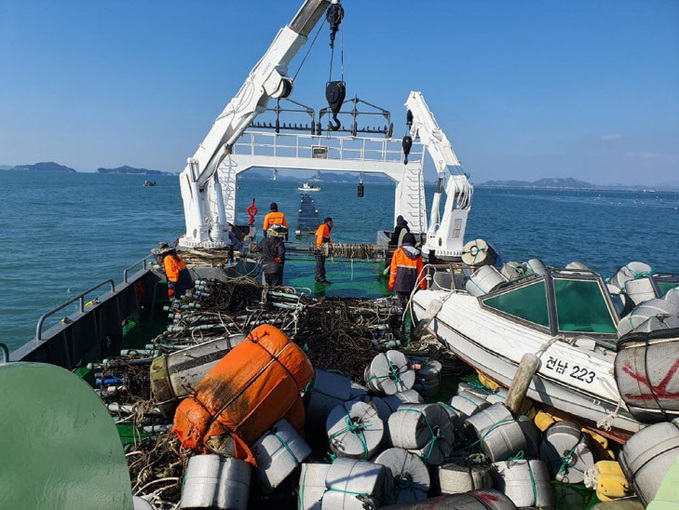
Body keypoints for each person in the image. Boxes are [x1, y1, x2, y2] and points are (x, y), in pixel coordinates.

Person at [388, 232, 426, 322]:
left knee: (400, 307)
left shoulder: (398, 252)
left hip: (400, 285)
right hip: (412, 286)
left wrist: (391, 285)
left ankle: (400, 325)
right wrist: (423, 287)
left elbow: (393, 271)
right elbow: (421, 273)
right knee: (412, 307)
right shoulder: (417, 255)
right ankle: (413, 325)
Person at [314, 217, 333, 284]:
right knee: (320, 264)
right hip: (319, 248)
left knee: (319, 264)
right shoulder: (323, 226)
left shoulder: (326, 229)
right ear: (328, 222)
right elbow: (320, 236)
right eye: (331, 223)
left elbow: (327, 239)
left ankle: (318, 278)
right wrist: (318, 247)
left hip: (321, 248)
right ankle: (322, 279)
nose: (332, 225)